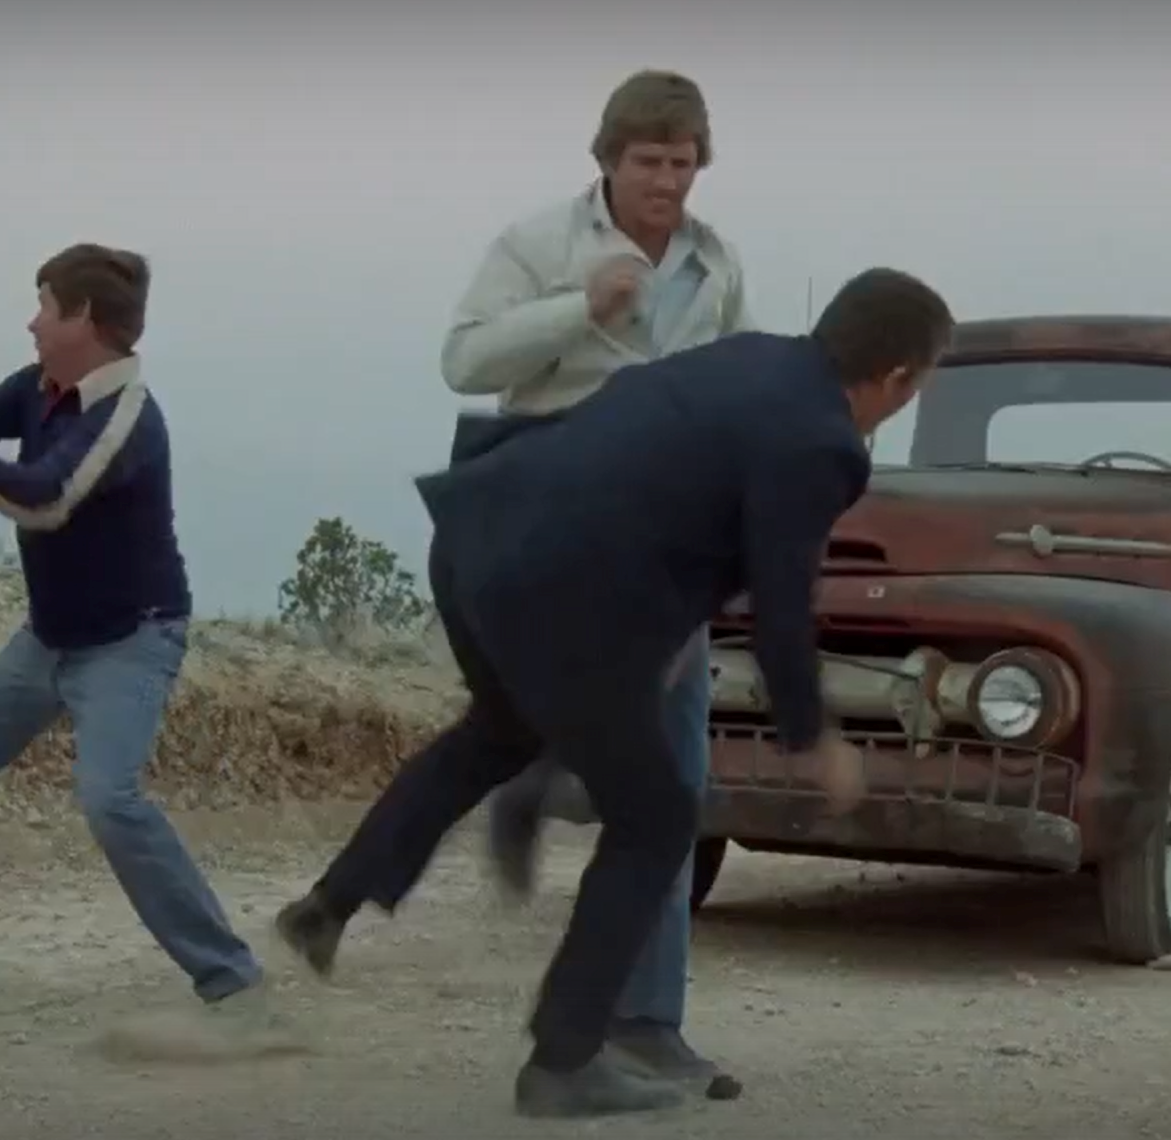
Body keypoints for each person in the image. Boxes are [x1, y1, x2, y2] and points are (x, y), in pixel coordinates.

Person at [274, 268, 955, 1118]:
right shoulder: (823, 442)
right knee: (657, 818)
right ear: (897, 378)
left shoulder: (747, 359)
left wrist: (654, 645)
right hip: (565, 587)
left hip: (477, 536)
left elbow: (654, 491)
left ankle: (328, 905)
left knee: (498, 732)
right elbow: (782, 600)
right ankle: (563, 1061)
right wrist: (810, 735)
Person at [438, 67, 753, 1084]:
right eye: (648, 160)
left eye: (683, 162)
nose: (666, 180)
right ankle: (541, 769)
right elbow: (464, 361)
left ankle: (646, 1017)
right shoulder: (539, 245)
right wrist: (581, 305)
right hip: (560, 520)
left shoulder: (716, 265)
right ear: (609, 159)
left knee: (676, 782)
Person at [0, 244, 276, 1031]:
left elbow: (44, 497)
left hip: (131, 641)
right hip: (45, 641)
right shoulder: (38, 388)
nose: (31, 323)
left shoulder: (128, 419)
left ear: (83, 317)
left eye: (44, 306)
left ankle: (232, 981)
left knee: (109, 800)